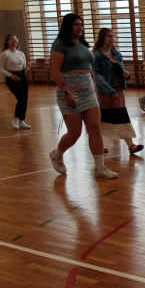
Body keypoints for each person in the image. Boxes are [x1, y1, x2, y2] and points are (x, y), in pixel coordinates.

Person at [48, 13, 116, 179]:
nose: (80, 27)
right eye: (76, 24)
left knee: (95, 127)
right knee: (75, 133)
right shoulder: (60, 44)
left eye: (81, 24)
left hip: (88, 90)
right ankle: (57, 154)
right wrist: (66, 93)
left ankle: (100, 168)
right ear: (68, 26)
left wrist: (94, 88)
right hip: (70, 90)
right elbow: (55, 70)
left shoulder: (83, 45)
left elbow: (89, 68)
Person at [93, 28, 143, 155]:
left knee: (122, 117)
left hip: (118, 91)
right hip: (105, 93)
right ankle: (98, 144)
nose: (113, 38)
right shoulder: (97, 56)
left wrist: (127, 75)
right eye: (109, 36)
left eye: (113, 36)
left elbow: (121, 71)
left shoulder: (117, 54)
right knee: (101, 119)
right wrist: (110, 91)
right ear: (102, 38)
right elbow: (97, 77)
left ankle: (131, 146)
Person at [0, 34, 31, 130]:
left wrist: (27, 67)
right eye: (12, 39)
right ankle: (16, 118)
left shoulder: (21, 53)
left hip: (22, 77)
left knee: (25, 99)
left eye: (16, 39)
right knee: (21, 98)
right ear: (7, 42)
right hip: (11, 78)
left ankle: (22, 121)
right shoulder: (5, 54)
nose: (15, 40)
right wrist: (11, 75)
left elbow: (23, 68)